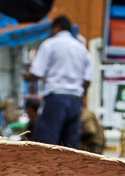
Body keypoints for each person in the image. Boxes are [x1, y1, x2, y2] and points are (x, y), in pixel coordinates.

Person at [28, 14, 92, 149]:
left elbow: (36, 73)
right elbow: (87, 80)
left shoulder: (49, 45)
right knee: (69, 147)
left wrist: (26, 75)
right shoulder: (81, 49)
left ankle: (45, 170)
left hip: (55, 98)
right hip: (75, 100)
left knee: (46, 145)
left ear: (56, 27)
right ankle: (66, 170)